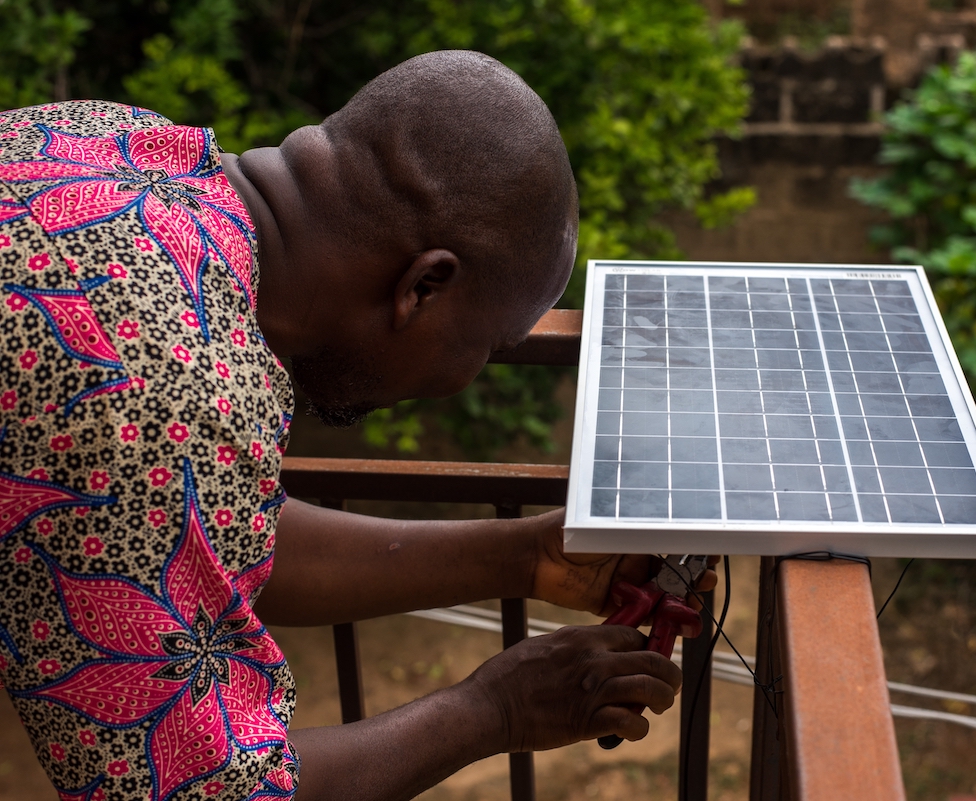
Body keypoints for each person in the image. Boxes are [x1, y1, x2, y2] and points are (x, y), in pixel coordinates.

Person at [0, 50, 713, 801]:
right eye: (486, 344)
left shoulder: (102, 143)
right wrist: (492, 709)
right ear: (424, 286)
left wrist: (526, 558)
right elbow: (204, 794)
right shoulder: (160, 384)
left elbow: (188, 525)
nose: (465, 378)